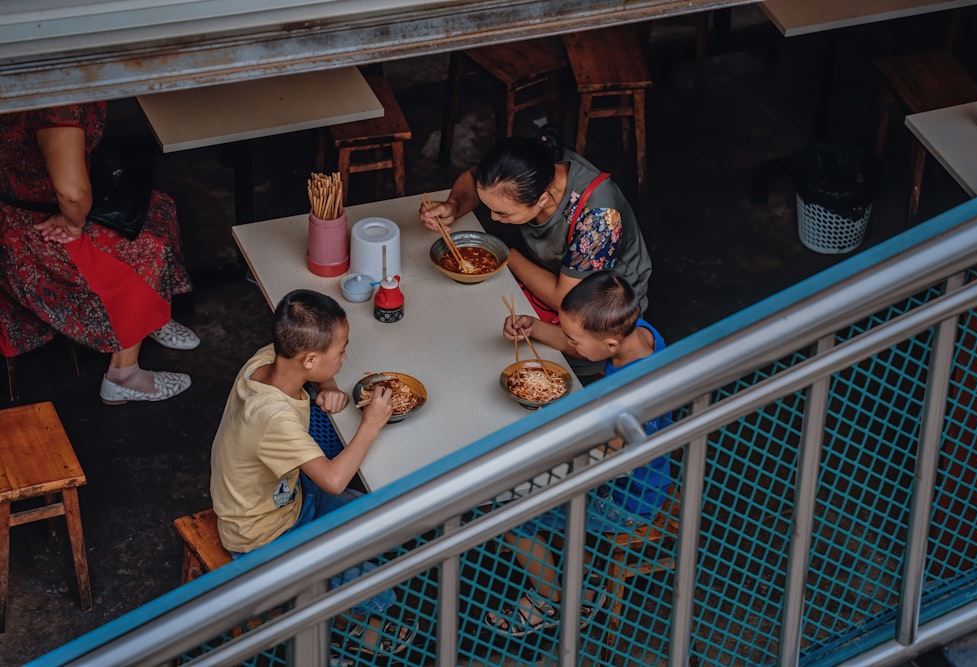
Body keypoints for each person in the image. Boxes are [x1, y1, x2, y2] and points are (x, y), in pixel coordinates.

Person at [209, 288, 420, 659]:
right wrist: (371, 423)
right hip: (262, 536)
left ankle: (347, 612)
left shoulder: (269, 359)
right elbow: (334, 479)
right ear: (309, 358)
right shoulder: (272, 417)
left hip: (291, 498)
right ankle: (353, 626)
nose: (344, 357)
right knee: (370, 576)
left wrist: (330, 385)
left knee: (380, 520)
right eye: (340, 352)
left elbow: (310, 372)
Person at [486, 270, 672, 637]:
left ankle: (549, 600)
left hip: (625, 500)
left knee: (506, 514)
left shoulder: (635, 392)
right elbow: (580, 345)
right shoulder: (638, 332)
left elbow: (602, 455)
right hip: (633, 479)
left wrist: (552, 431)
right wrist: (534, 328)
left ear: (611, 345)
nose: (570, 342)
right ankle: (586, 572)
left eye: (574, 337)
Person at [0, 102, 199, 403]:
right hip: (34, 226)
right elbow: (72, 192)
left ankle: (153, 318)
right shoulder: (55, 102)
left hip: (23, 205)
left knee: (158, 207)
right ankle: (124, 376)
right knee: (149, 246)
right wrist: (73, 221)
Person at [419, 127, 653, 377]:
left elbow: (566, 298)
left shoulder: (598, 215)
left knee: (518, 363)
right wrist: (454, 205)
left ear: (541, 200)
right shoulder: (524, 166)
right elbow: (474, 177)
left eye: (503, 213)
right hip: (552, 278)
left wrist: (507, 256)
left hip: (602, 308)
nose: (493, 218)